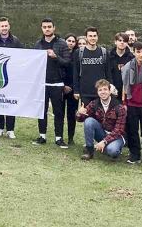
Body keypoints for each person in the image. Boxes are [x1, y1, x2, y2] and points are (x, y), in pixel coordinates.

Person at [32, 17, 71, 149]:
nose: (47, 29)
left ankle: (59, 138)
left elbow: (67, 62)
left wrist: (56, 57)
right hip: (42, 83)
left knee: (58, 112)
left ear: (54, 28)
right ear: (42, 28)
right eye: (44, 27)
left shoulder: (62, 43)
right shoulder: (38, 44)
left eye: (49, 27)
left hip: (57, 83)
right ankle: (42, 135)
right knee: (41, 111)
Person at [0, 17, 24, 139]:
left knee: (10, 102)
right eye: (2, 26)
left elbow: (22, 57)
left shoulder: (16, 41)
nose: (4, 28)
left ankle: (10, 129)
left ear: (9, 26)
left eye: (6, 26)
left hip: (11, 77)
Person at [78, 79, 127, 160]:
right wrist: (79, 113)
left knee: (112, 151)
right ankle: (89, 151)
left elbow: (119, 130)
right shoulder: (94, 103)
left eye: (105, 89)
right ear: (97, 92)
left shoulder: (119, 107)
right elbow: (81, 119)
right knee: (89, 121)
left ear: (110, 91)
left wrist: (104, 142)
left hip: (117, 136)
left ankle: (113, 147)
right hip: (102, 133)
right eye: (100, 90)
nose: (103, 92)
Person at [73, 27, 110, 107]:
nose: (92, 38)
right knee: (87, 117)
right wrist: (76, 90)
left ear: (97, 37)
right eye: (90, 36)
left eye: (94, 36)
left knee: (101, 117)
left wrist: (110, 88)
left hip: (101, 92)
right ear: (86, 37)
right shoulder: (79, 52)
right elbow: (75, 72)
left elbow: (108, 72)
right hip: (85, 92)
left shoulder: (104, 52)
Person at [63, 33, 79, 145]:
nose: (71, 43)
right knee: (59, 113)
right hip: (61, 87)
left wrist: (72, 87)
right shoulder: (61, 54)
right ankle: (59, 136)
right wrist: (63, 86)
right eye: (69, 41)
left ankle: (70, 137)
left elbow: (78, 74)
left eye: (73, 41)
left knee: (71, 114)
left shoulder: (77, 55)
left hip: (73, 89)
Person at [107, 32, 134, 99]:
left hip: (127, 93)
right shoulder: (108, 57)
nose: (122, 43)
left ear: (127, 43)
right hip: (111, 92)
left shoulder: (132, 58)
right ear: (115, 42)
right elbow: (106, 74)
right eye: (120, 40)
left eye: (124, 41)